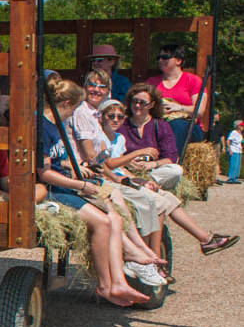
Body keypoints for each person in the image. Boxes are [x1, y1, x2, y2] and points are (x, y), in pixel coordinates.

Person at [39, 79, 151, 306]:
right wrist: (80, 186)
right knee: (102, 223)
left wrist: (76, 169)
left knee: (112, 209)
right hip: (52, 190)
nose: (72, 115)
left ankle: (123, 272)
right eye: (73, 109)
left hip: (67, 183)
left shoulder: (55, 126)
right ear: (68, 103)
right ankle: (105, 285)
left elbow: (58, 162)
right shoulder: (42, 126)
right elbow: (44, 173)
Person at [97, 100, 239, 258]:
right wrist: (137, 153)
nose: (116, 119)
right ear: (101, 117)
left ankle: (205, 238)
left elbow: (121, 167)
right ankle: (153, 257)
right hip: (111, 180)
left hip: (122, 178)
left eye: (119, 116)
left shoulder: (118, 138)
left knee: (167, 197)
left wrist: (139, 180)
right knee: (158, 202)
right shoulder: (99, 137)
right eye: (111, 116)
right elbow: (109, 164)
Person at [119, 83, 183, 190]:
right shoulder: (121, 125)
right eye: (134, 101)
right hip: (126, 169)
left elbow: (171, 157)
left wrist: (153, 164)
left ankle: (146, 183)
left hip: (153, 171)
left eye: (143, 103)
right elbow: (113, 155)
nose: (137, 106)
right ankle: (139, 183)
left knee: (176, 170)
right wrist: (127, 162)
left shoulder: (161, 125)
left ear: (151, 105)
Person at [147, 42, 206, 155]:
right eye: (159, 57)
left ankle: (172, 160)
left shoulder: (193, 81)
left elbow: (200, 111)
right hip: (160, 122)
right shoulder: (151, 82)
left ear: (179, 60)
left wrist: (178, 107)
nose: (160, 60)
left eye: (165, 57)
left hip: (187, 126)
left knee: (177, 124)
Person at [70, 68, 112, 162]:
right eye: (92, 85)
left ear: (108, 92)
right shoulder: (82, 112)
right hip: (82, 171)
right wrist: (115, 177)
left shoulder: (95, 115)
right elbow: (90, 157)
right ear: (85, 88)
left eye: (102, 87)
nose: (96, 90)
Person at [227, 119, 243, 184]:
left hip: (239, 151)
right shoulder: (234, 132)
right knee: (233, 164)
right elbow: (228, 141)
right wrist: (230, 149)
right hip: (234, 150)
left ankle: (235, 178)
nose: (242, 127)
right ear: (237, 126)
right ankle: (231, 178)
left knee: (238, 165)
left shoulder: (240, 134)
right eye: (241, 125)